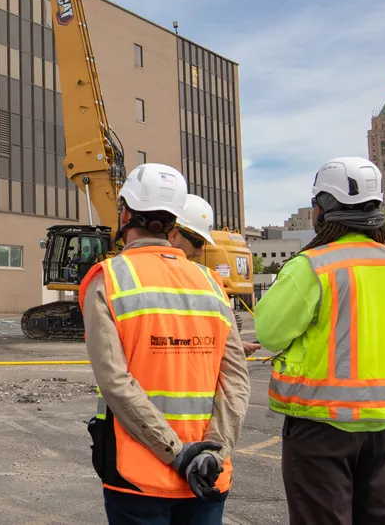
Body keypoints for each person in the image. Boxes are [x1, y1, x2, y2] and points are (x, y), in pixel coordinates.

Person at [81, 164, 250, 525]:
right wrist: (212, 455)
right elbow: (235, 381)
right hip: (206, 475)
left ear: (125, 212)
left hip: (139, 476)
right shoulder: (210, 283)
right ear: (176, 220)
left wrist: (177, 454)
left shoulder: (108, 279)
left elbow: (115, 381)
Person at [254, 157, 385, 525]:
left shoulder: (313, 264)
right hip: (376, 421)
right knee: (373, 516)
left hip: (320, 420)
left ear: (323, 207)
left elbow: (270, 332)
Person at [170, 196, 261, 358]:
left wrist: (235, 348)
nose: (200, 252)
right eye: (198, 243)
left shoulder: (203, 280)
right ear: (174, 235)